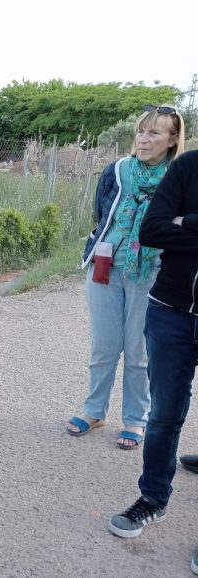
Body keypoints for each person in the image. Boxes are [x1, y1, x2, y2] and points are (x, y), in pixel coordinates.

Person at [67, 104, 185, 449]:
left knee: (139, 351)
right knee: (104, 346)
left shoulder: (180, 177)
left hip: (151, 272)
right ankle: (94, 410)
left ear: (173, 138)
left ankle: (135, 419)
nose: (144, 139)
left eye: (154, 133)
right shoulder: (117, 170)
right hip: (106, 265)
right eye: (141, 131)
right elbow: (101, 213)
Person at [107, 142, 198, 574]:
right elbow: (153, 230)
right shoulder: (187, 166)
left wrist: (189, 222)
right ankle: (153, 498)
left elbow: (172, 227)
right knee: (164, 415)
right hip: (172, 311)